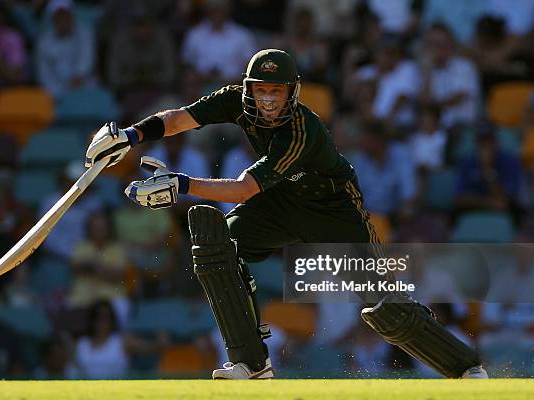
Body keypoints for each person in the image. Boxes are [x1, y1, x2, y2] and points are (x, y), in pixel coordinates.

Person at [84, 49, 488, 380]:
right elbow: (177, 119)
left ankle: (466, 368)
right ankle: (251, 362)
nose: (270, 100)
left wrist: (183, 185)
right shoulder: (234, 101)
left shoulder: (301, 130)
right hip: (280, 203)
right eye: (262, 91)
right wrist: (130, 136)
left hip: (332, 208)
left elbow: (244, 189)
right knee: (217, 245)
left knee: (383, 306)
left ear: (292, 92)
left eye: (278, 91)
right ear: (249, 90)